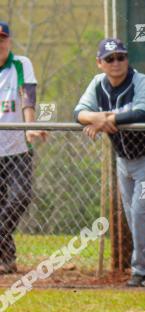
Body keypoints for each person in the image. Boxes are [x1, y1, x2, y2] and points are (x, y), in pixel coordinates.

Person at [74, 38, 145, 287]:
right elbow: (78, 113)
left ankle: (141, 270)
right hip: (124, 161)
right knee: (134, 215)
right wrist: (95, 117)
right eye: (110, 58)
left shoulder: (141, 81)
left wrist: (106, 119)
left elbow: (143, 112)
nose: (116, 62)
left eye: (121, 57)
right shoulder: (97, 84)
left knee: (140, 212)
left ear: (127, 59)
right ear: (99, 63)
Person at [0, 21, 45, 274]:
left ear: (9, 41)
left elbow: (27, 97)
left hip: (17, 149)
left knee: (20, 197)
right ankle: (7, 260)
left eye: (2, 38)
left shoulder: (21, 64)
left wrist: (30, 126)